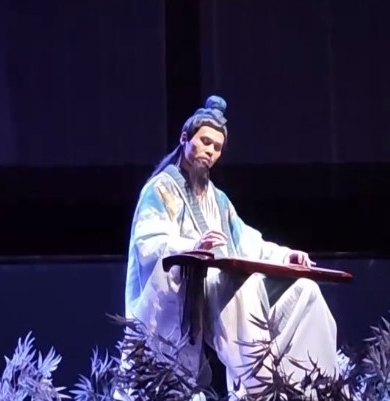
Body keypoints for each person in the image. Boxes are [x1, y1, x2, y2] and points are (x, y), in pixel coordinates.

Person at [123, 95, 338, 399]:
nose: (210, 151)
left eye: (217, 147)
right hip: (189, 287)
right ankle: (259, 387)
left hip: (219, 285)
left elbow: (248, 242)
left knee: (305, 291)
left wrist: (285, 256)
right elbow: (148, 241)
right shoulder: (160, 189)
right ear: (184, 139)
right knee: (240, 286)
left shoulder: (219, 200)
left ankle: (313, 387)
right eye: (205, 141)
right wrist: (192, 247)